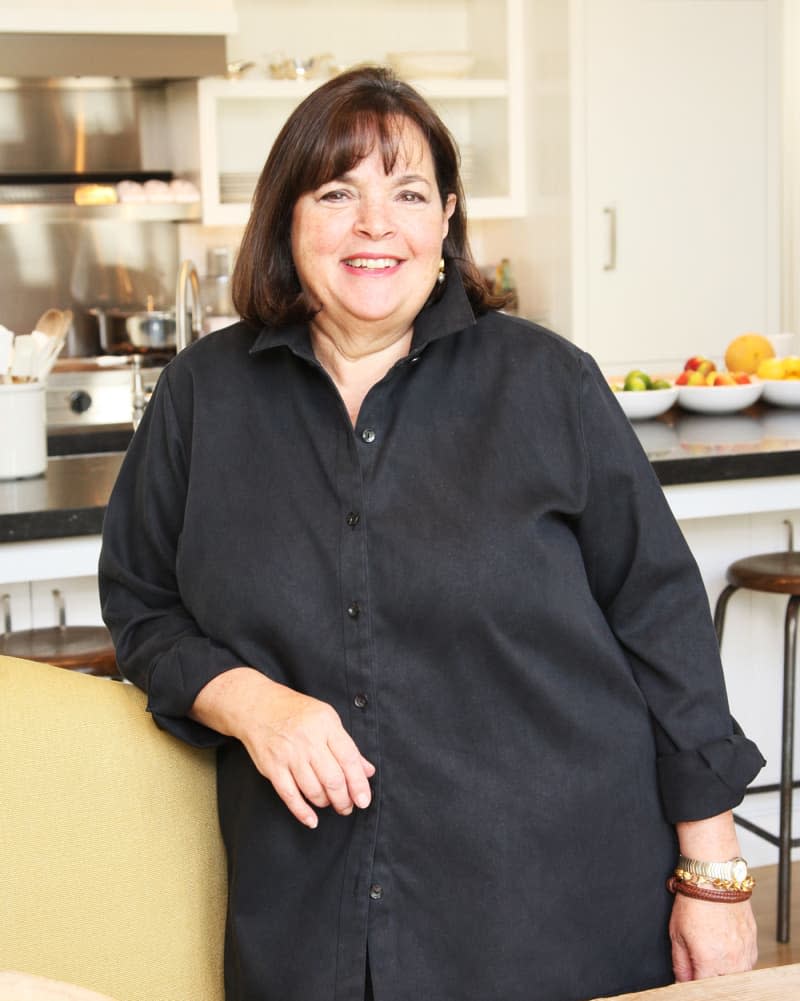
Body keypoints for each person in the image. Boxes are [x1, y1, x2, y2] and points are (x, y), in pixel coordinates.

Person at [99, 66, 765, 1001]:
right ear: (287, 217)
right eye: (338, 193)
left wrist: (715, 877)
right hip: (308, 922)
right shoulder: (202, 396)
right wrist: (249, 701)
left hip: (554, 911)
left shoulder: (550, 386)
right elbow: (142, 605)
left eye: (408, 193)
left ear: (445, 221)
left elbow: (664, 625)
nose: (377, 224)